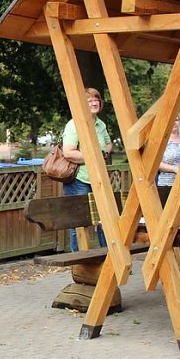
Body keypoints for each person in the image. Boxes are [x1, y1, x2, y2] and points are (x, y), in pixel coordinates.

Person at [61, 87, 113, 252]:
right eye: (89, 100)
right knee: (79, 222)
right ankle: (79, 262)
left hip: (98, 178)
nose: (94, 103)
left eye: (96, 99)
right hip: (79, 180)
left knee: (105, 219)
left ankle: (109, 257)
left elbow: (108, 144)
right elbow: (68, 152)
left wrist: (102, 152)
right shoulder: (74, 124)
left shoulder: (100, 124)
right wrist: (94, 155)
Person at [157, 115, 180, 187]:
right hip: (166, 184)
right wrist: (175, 169)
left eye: (176, 120)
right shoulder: (161, 141)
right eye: (171, 120)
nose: (174, 122)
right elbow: (155, 163)